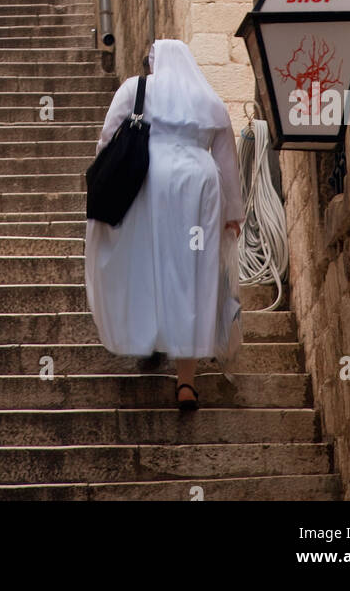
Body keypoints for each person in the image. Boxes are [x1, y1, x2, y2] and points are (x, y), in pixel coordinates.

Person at [85, 39, 244, 411]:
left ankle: (147, 337)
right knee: (191, 273)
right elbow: (227, 162)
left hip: (147, 183)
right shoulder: (210, 103)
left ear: (155, 63)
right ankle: (186, 382)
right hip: (199, 186)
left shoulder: (135, 90)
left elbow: (107, 141)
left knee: (145, 263)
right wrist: (232, 213)